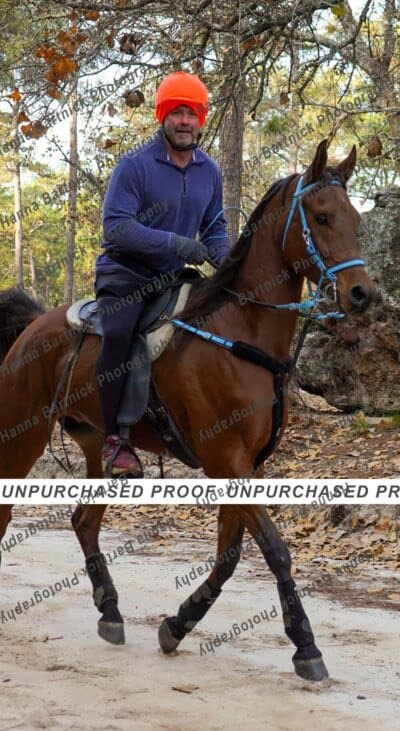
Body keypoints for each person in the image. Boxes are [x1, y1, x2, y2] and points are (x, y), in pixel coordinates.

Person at [94, 71, 230, 477]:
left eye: (192, 114)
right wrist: (175, 244)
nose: (185, 121)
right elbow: (116, 227)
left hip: (174, 278)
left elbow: (215, 230)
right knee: (120, 333)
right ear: (163, 116)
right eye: (177, 113)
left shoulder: (209, 171)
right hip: (125, 274)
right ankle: (115, 438)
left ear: (201, 119)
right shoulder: (134, 166)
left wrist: (228, 263)